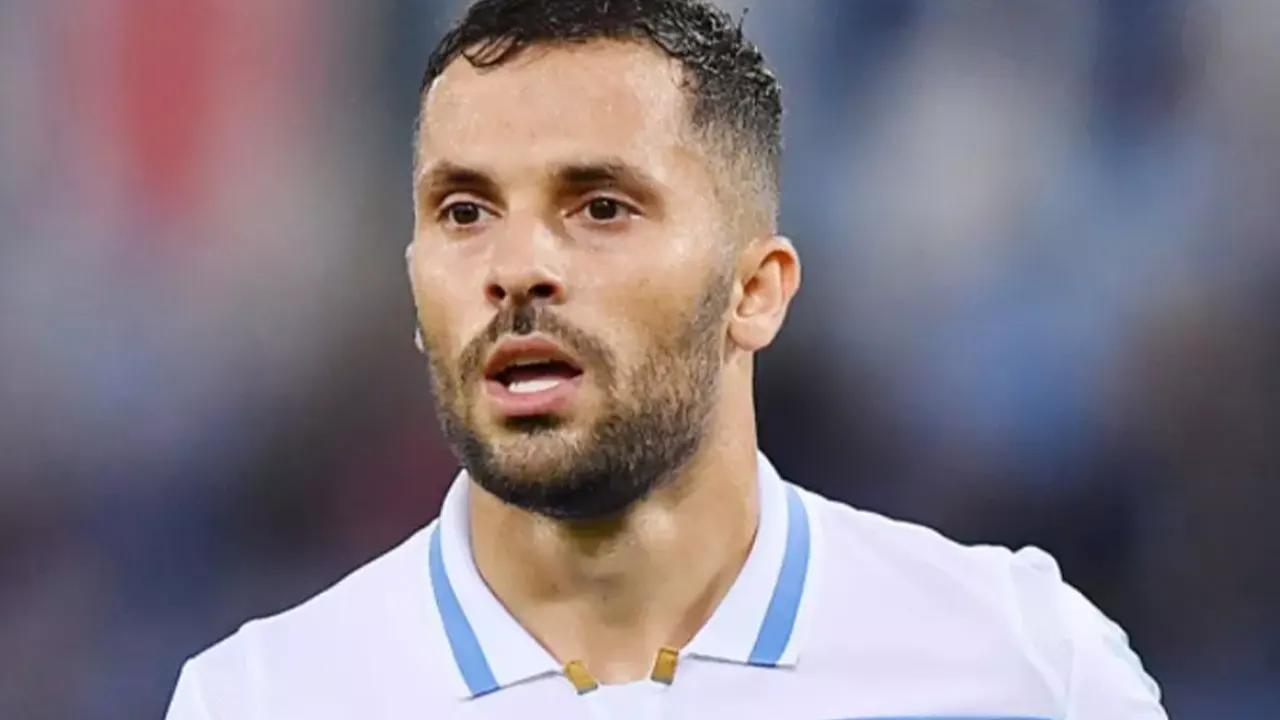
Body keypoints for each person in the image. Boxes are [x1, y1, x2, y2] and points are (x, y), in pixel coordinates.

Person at [165, 0, 1168, 717]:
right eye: (465, 212)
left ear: (755, 290)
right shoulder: (262, 698)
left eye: (600, 207)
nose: (517, 268)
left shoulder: (1025, 668)